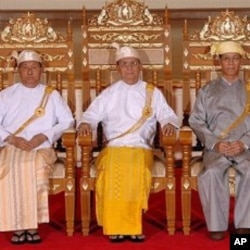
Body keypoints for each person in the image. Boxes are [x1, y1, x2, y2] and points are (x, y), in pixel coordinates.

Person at [77, 43, 179, 242]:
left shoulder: (152, 92)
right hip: (114, 148)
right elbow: (90, 115)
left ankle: (132, 226)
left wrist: (168, 124)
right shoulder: (109, 93)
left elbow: (168, 115)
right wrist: (85, 124)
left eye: (133, 63)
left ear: (140, 66)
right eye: (125, 64)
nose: (130, 68)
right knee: (113, 169)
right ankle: (115, 226)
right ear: (118, 68)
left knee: (134, 170)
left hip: (140, 148)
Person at [0, 50, 74, 244]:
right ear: (18, 70)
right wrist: (11, 139)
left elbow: (67, 121)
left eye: (34, 67)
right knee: (10, 167)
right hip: (13, 147)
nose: (30, 72)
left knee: (34, 167)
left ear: (42, 70)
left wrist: (44, 135)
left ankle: (32, 225)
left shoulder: (52, 95)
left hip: (42, 149)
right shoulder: (6, 95)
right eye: (25, 68)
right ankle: (17, 225)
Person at [189, 41, 250, 240]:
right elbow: (196, 121)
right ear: (219, 62)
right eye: (226, 59)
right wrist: (216, 143)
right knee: (212, 172)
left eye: (235, 58)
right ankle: (216, 226)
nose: (231, 63)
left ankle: (244, 226)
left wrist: (244, 143)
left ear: (241, 61)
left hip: (244, 147)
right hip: (216, 148)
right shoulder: (207, 91)